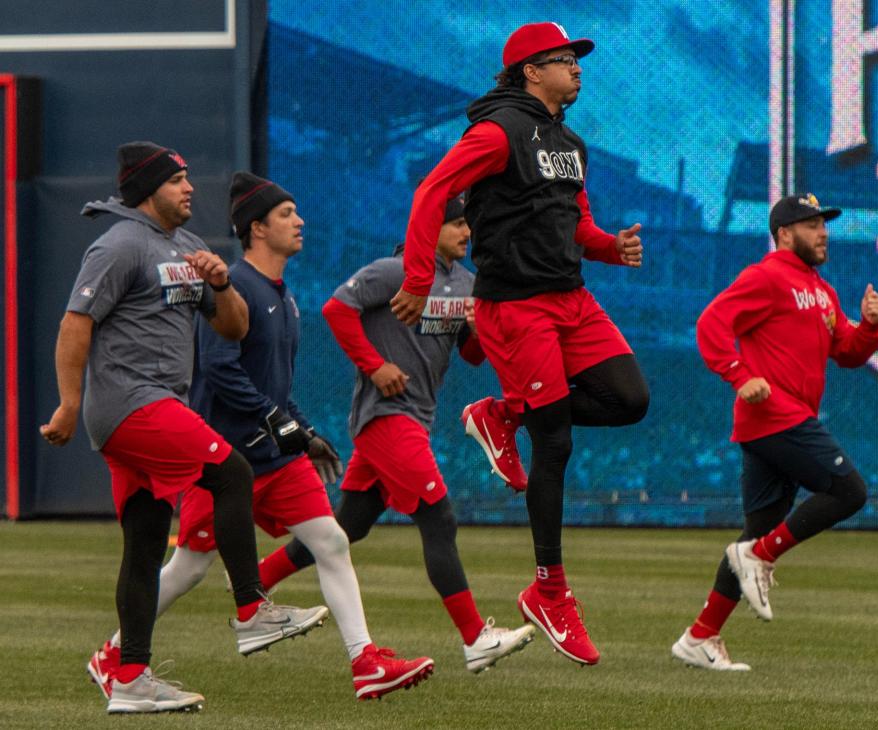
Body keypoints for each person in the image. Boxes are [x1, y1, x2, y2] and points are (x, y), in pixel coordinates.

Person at [86, 173, 434, 702]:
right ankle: (115, 656)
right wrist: (274, 418)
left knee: (332, 542)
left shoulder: (282, 294)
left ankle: (366, 663)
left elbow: (275, 385)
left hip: (275, 458)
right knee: (187, 569)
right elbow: (220, 368)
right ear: (257, 228)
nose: (300, 222)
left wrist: (304, 431)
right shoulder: (238, 284)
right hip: (224, 458)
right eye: (287, 214)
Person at [390, 22, 650, 665]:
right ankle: (549, 591)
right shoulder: (497, 131)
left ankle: (502, 412)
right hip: (515, 306)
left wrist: (610, 246)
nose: (578, 68)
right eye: (567, 60)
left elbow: (578, 227)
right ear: (532, 70)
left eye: (577, 59)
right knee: (555, 439)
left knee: (629, 399)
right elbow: (432, 192)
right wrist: (421, 278)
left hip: (571, 298)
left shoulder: (570, 141)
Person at [40, 143, 326, 714]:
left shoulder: (191, 248)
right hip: (130, 401)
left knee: (146, 547)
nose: (190, 188)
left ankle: (129, 677)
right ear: (149, 189)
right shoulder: (118, 244)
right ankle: (251, 610)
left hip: (155, 405)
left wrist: (221, 284)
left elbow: (233, 329)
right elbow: (76, 324)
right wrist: (69, 404)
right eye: (177, 180)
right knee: (232, 471)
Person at [254, 192, 536, 674]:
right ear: (430, 228)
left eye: (468, 224)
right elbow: (336, 310)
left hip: (413, 418)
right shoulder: (394, 270)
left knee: (349, 525)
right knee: (439, 520)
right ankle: (475, 640)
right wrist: (376, 364)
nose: (466, 233)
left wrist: (477, 330)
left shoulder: (467, 282)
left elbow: (470, 355)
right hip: (386, 416)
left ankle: (252, 585)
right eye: (456, 224)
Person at [671, 193, 878, 671]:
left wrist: (869, 326)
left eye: (824, 223)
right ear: (784, 234)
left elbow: (846, 351)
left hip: (780, 422)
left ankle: (701, 635)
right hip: (776, 417)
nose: (823, 232)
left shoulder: (821, 290)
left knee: (757, 530)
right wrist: (739, 375)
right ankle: (761, 557)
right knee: (849, 490)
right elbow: (711, 324)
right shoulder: (766, 276)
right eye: (811, 225)